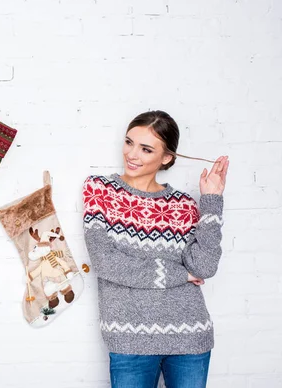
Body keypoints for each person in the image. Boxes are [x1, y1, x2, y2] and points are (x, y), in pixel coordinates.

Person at [82, 110, 229, 388]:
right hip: (129, 338)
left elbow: (204, 267)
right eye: (129, 142)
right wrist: (181, 275)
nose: (132, 154)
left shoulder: (184, 204)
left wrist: (211, 200)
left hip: (190, 335)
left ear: (166, 157)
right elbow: (106, 262)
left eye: (146, 149)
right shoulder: (100, 190)